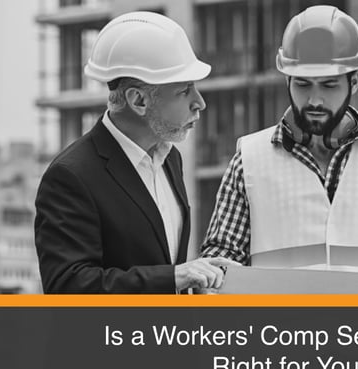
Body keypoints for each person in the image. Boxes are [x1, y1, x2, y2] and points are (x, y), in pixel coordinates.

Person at [201, 5, 358, 277]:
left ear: (354, 82)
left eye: (329, 85)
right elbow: (219, 264)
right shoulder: (249, 161)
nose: (314, 100)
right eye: (303, 85)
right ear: (287, 80)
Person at [35, 11, 233, 294]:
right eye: (184, 90)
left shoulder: (170, 158)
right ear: (138, 100)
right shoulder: (71, 176)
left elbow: (156, 263)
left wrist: (193, 277)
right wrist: (173, 277)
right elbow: (68, 288)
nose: (199, 102)